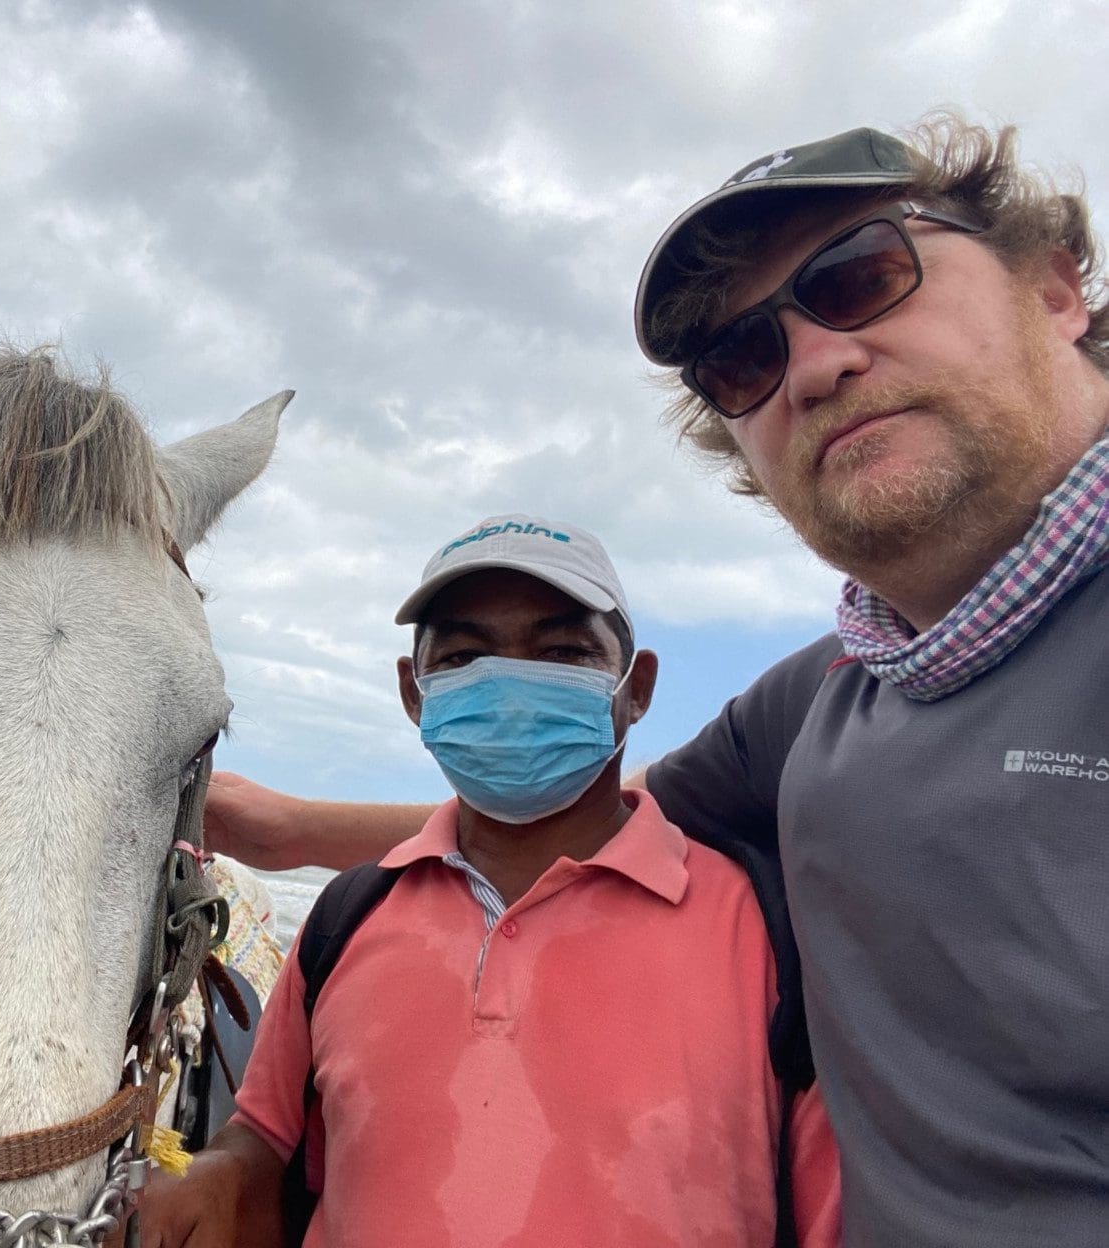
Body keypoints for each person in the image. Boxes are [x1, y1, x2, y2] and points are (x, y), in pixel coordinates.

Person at [204, 118, 1109, 1247]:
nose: (819, 365)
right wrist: (279, 829)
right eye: (744, 357)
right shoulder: (818, 711)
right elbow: (580, 846)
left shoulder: (757, 901)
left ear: (1059, 286)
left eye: (867, 276)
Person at [145, 515, 841, 1247]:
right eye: (467, 655)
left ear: (637, 690)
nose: (511, 685)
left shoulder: (770, 935)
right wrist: (219, 1175)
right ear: (414, 694)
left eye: (564, 651)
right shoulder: (349, 917)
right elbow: (266, 1133)